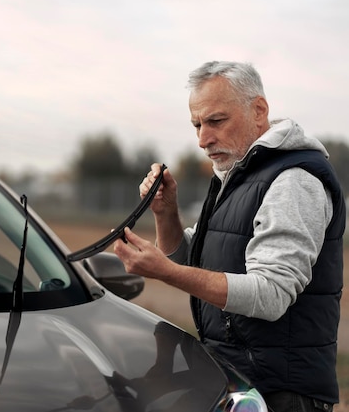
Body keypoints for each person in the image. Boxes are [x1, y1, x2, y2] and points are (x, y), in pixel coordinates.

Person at [113, 61, 346, 412]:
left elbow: (270, 294)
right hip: (240, 381)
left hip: (283, 394)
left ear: (258, 111)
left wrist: (166, 273)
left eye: (216, 121)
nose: (203, 139)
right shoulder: (238, 174)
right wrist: (166, 213)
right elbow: (192, 258)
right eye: (197, 125)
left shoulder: (292, 181)